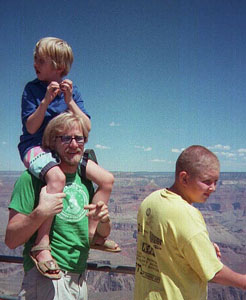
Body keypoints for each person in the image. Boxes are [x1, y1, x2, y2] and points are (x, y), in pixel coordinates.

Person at [17, 36, 120, 273]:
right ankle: (41, 244)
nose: (35, 63)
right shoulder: (32, 90)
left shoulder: (73, 91)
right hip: (36, 147)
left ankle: (93, 234)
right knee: (57, 178)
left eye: (41, 60)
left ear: (59, 68)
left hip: (64, 148)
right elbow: (31, 128)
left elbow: (86, 127)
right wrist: (45, 102)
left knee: (107, 180)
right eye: (36, 59)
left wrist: (69, 101)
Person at [5, 112, 115, 299]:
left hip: (79, 280)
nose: (74, 144)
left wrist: (103, 220)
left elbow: (96, 235)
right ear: (51, 142)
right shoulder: (31, 180)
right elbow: (11, 239)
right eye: (65, 138)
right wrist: (41, 212)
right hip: (47, 280)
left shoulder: (86, 181)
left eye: (78, 138)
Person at [134, 145, 246, 300]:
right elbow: (214, 272)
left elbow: (165, 246)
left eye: (216, 181)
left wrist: (202, 248)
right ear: (184, 178)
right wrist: (243, 281)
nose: (213, 188)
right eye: (207, 181)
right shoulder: (186, 215)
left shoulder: (151, 200)